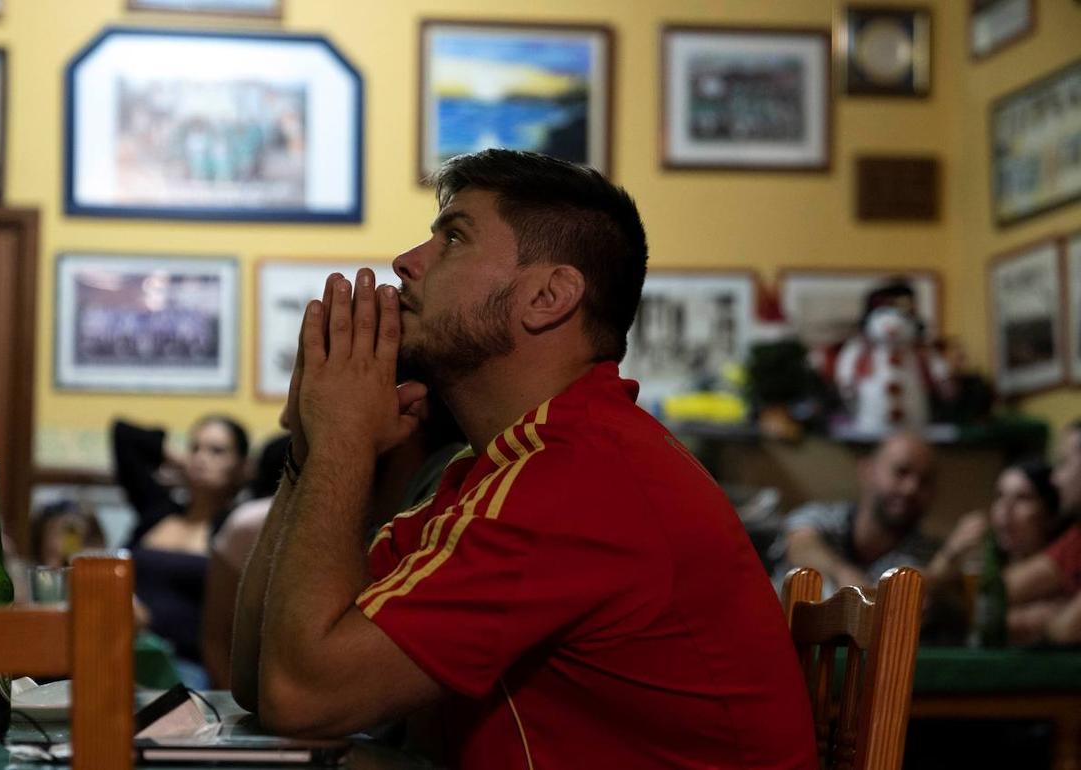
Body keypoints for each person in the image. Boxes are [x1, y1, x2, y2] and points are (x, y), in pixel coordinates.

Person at [231, 150, 815, 769]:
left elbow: (303, 697)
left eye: (454, 238)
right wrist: (311, 449)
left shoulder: (578, 479)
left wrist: (343, 440)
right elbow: (265, 675)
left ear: (547, 296)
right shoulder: (500, 470)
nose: (406, 262)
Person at [204, 402, 464, 690]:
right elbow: (253, 679)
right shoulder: (372, 508)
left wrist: (327, 448)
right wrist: (302, 459)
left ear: (408, 405)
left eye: (315, 385)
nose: (287, 420)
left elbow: (294, 692)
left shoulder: (449, 494)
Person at [112, 414, 250, 687]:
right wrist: (181, 462)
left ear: (240, 465)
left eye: (216, 451)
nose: (201, 458)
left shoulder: (237, 528)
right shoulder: (157, 509)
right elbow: (123, 435)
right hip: (119, 651)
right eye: (195, 448)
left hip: (184, 665)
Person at [770, 432, 939, 595]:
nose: (911, 488)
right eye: (901, 472)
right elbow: (799, 544)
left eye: (925, 481)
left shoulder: (924, 553)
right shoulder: (822, 516)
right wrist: (842, 573)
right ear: (867, 471)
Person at [922, 459, 1063, 644]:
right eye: (1000, 496)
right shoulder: (979, 566)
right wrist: (951, 552)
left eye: (1023, 498)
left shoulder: (1062, 573)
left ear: (1050, 513)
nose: (1006, 508)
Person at [1002, 420, 1081, 645]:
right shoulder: (1076, 537)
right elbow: (999, 592)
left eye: (1064, 463)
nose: (1055, 479)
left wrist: (1049, 617)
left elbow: (1066, 630)